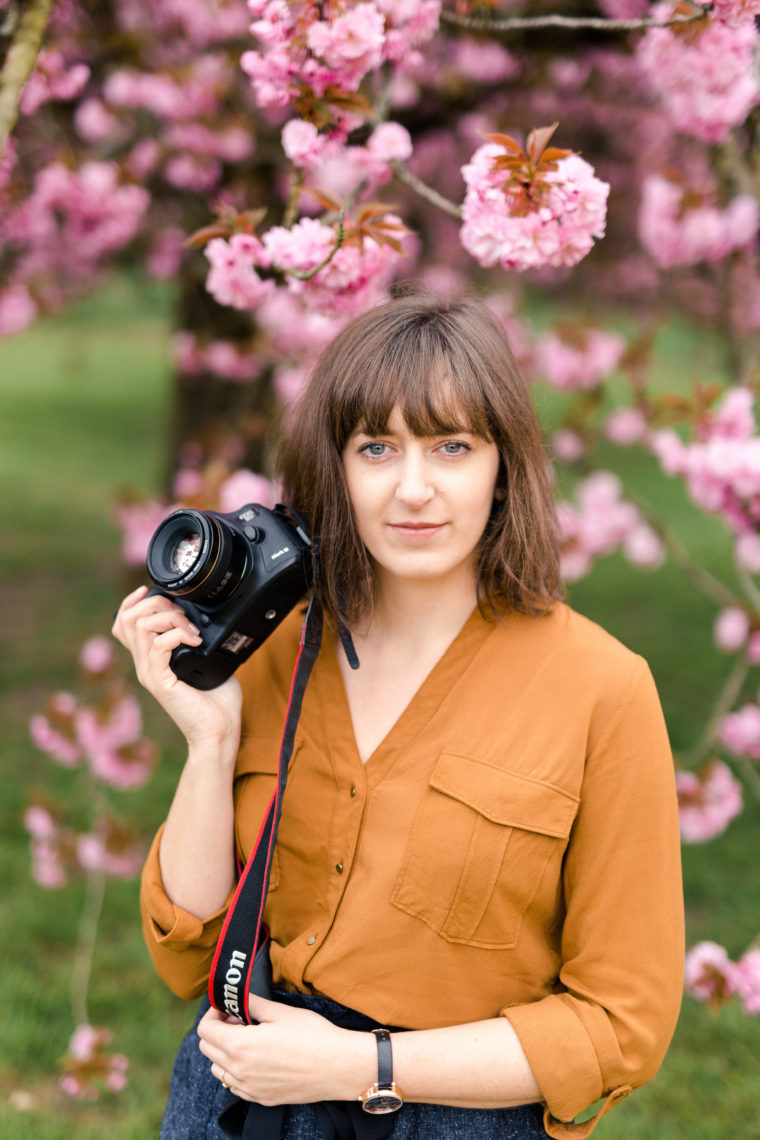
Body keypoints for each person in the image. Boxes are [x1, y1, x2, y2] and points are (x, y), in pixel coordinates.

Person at [113, 288, 684, 1140]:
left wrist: (363, 1066)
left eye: (451, 446)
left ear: (502, 467)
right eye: (377, 447)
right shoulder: (276, 652)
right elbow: (189, 954)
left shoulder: (602, 688)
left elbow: (619, 1025)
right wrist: (210, 742)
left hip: (455, 1118)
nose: (414, 488)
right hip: (237, 1103)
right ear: (336, 469)